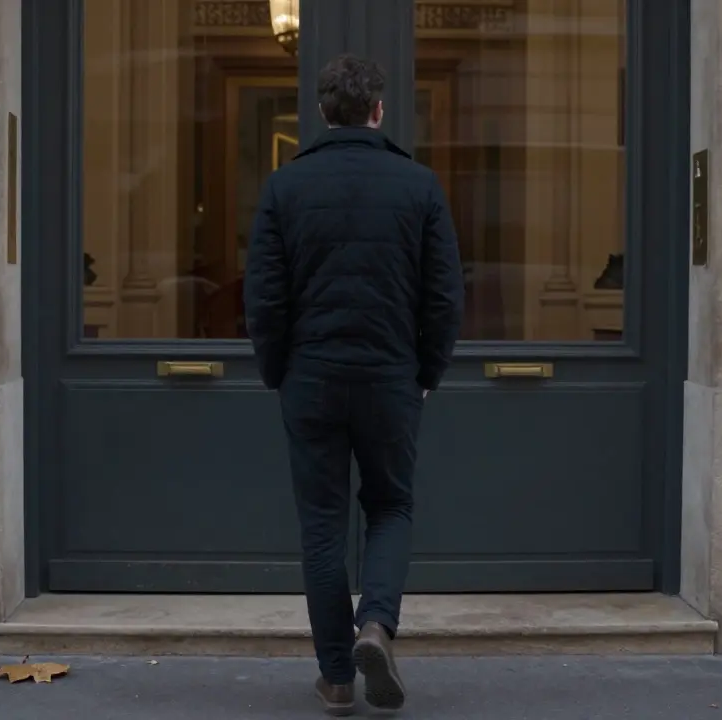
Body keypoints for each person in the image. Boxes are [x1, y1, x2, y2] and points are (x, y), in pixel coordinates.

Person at [244, 54, 464, 715]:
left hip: (311, 375)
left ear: (320, 113)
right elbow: (444, 296)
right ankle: (376, 625)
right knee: (390, 507)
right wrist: (427, 371)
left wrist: (277, 369)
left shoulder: (285, 187)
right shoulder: (419, 186)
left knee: (320, 525)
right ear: (378, 111)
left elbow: (265, 297)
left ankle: (337, 678)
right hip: (390, 375)